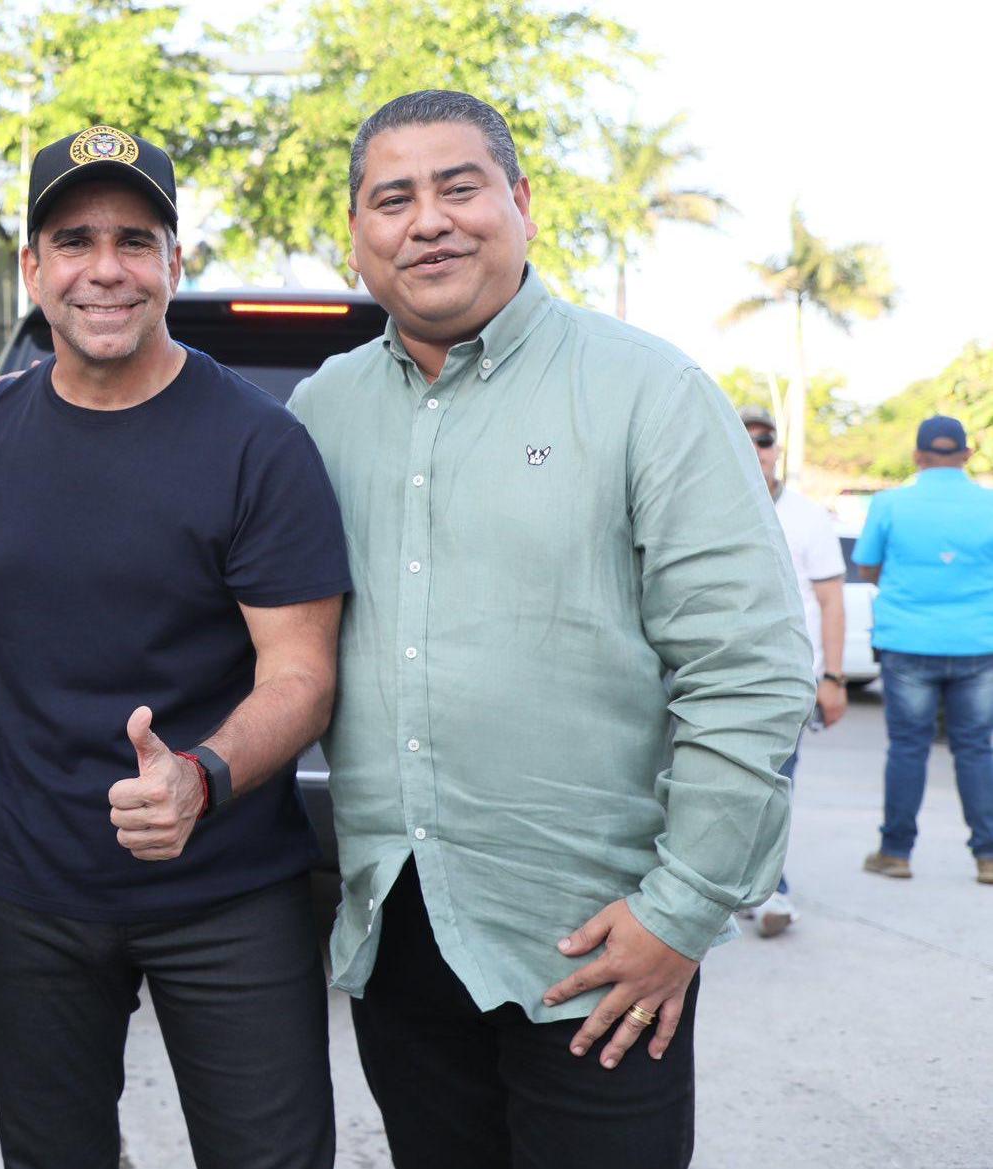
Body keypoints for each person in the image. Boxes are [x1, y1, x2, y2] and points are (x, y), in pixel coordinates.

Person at [288, 90, 811, 1169]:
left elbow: (749, 670)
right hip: (401, 937)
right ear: (359, 237)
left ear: (520, 202)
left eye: (459, 187)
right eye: (393, 198)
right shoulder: (320, 413)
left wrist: (684, 911)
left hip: (599, 951)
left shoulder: (648, 392)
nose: (427, 220)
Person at [0, 126, 349, 1169]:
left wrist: (202, 777)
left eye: (134, 237)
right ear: (33, 269)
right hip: (27, 882)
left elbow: (302, 674)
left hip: (227, 886)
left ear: (174, 259)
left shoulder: (260, 443)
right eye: (73, 240)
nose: (104, 268)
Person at [850, 414, 993, 884]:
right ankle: (988, 857)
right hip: (978, 642)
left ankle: (895, 853)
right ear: (968, 456)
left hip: (907, 641)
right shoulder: (988, 505)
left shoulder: (889, 504)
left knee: (908, 748)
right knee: (975, 749)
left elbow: (867, 567)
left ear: (917, 456)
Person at [741, 404, 849, 935]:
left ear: (777, 449)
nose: (756, 448)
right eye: (744, 438)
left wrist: (832, 677)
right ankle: (726, 890)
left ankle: (770, 892)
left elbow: (832, 601)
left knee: (773, 785)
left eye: (765, 440)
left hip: (784, 680)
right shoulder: (701, 501)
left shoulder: (808, 517)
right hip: (698, 674)